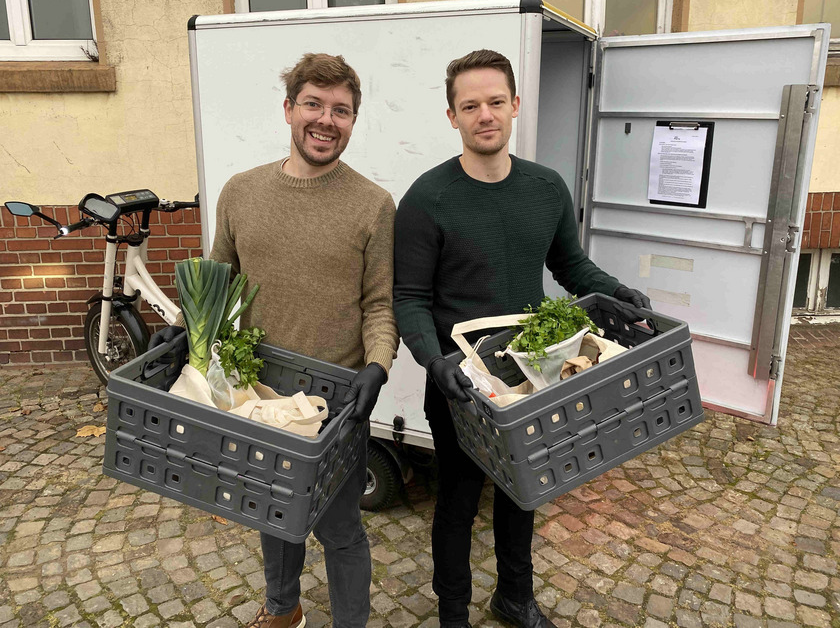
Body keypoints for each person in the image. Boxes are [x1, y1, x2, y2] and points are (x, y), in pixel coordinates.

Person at [393, 49, 650, 628]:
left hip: (530, 371)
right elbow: (408, 298)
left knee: (523, 491)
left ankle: (514, 596)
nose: (484, 115)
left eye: (493, 102)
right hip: (459, 381)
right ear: (453, 117)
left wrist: (615, 291)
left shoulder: (546, 187)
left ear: (514, 105)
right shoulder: (427, 199)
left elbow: (570, 264)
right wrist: (435, 365)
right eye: (469, 106)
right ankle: (453, 610)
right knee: (458, 502)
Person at [158, 53, 399, 628]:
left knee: (340, 530)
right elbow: (216, 280)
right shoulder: (242, 192)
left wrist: (377, 365)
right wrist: (187, 326)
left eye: (341, 110)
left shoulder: (374, 205)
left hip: (334, 400)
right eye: (313, 103)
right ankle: (283, 608)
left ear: (353, 121)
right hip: (258, 390)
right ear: (289, 109)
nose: (326, 119)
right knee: (273, 510)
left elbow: (380, 304)